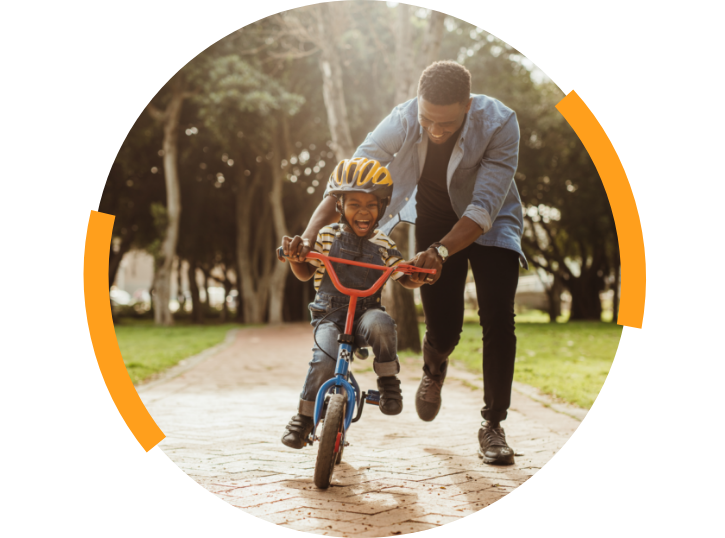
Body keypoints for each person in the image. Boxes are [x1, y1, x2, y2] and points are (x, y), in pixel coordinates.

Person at [287, 61, 527, 465]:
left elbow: (484, 206)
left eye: (446, 123)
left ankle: (493, 424)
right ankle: (435, 365)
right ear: (418, 103)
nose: (435, 130)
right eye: (427, 119)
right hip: (435, 218)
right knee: (445, 328)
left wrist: (442, 252)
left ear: (467, 105)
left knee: (498, 318)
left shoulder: (500, 123)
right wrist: (309, 235)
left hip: (491, 221)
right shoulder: (402, 118)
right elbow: (350, 178)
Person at [278, 158, 425, 450]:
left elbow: (402, 275)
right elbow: (306, 271)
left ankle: (387, 382)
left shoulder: (383, 244)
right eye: (354, 203)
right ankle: (304, 418)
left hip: (365, 315)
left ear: (382, 208)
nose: (363, 211)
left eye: (372, 205)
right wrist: (296, 258)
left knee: (382, 325)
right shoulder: (325, 236)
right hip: (329, 316)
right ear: (340, 206)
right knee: (324, 359)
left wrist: (417, 275)